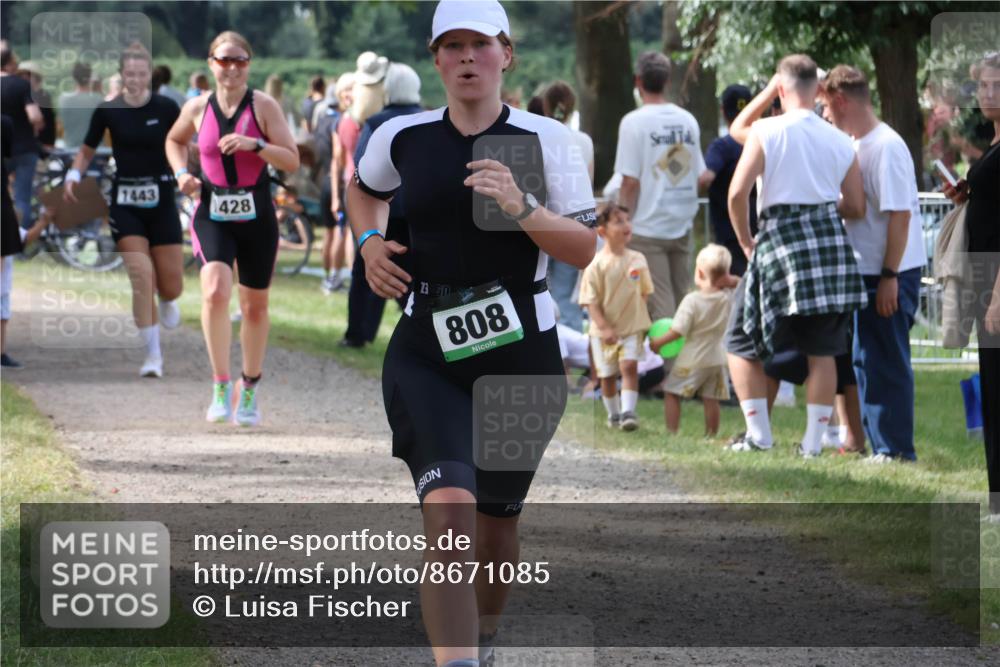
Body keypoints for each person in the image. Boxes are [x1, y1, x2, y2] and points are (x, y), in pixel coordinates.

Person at [348, 2, 596, 664]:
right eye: (451, 46)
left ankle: (482, 638)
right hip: (426, 351)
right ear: (434, 59)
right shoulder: (402, 136)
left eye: (479, 45)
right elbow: (362, 190)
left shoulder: (552, 142)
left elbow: (584, 248)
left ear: (505, 54)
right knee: (450, 516)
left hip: (522, 357)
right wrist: (370, 242)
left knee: (495, 523)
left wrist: (522, 207)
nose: (466, 57)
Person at [726, 54, 867, 457]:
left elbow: (737, 193)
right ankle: (811, 446)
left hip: (776, 242)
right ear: (818, 90)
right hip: (828, 244)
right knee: (824, 350)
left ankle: (759, 435)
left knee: (739, 340)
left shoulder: (766, 130)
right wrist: (818, 210)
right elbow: (856, 205)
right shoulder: (840, 140)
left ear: (781, 89)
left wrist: (746, 241)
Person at [166, 31, 299, 425]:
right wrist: (180, 174)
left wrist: (254, 145)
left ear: (249, 65)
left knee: (254, 307)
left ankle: (250, 386)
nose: (233, 67)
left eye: (240, 60)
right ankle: (221, 383)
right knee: (214, 289)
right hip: (212, 211)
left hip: (256, 214)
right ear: (211, 64)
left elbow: (291, 160)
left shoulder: (264, 106)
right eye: (224, 60)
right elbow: (174, 140)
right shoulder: (196, 107)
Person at [820, 65, 927, 462]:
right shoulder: (857, 144)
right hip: (868, 271)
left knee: (886, 361)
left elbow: (900, 215)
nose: (826, 115)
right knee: (866, 359)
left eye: (828, 106)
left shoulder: (886, 146)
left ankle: (896, 449)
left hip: (889, 273)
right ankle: (881, 444)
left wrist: (889, 276)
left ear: (842, 100)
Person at [63, 43, 183, 378]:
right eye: (129, 73)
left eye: (141, 74)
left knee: (171, 285)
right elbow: (86, 150)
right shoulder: (108, 109)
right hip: (125, 202)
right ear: (122, 74)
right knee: (142, 277)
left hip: (161, 199)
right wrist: (75, 173)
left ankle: (168, 299)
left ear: (150, 75)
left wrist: (190, 174)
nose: (135, 79)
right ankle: (153, 357)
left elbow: (184, 143)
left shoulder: (167, 106)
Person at [942, 52, 999, 516]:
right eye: (982, 86)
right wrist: (969, 191)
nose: (987, 94)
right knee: (992, 389)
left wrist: (999, 295)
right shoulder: (995, 144)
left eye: (996, 85)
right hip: (985, 281)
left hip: (998, 286)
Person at [614, 51, 706, 322]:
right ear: (667, 81)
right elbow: (701, 175)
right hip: (681, 223)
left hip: (646, 226)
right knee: (683, 301)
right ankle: (686, 363)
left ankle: (670, 366)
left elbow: (630, 181)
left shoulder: (633, 122)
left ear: (637, 81)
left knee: (661, 308)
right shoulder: (687, 120)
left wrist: (621, 220)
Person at [341, 63, 423, 348]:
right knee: (416, 273)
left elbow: (363, 171)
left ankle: (358, 333)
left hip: (382, 211)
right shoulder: (429, 121)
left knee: (367, 271)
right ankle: (424, 328)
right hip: (417, 211)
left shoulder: (377, 123)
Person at [579, 204, 653, 431]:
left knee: (629, 366)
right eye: (619, 221)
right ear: (601, 231)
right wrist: (605, 328)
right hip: (603, 333)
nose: (626, 225)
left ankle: (628, 412)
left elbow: (644, 292)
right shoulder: (596, 264)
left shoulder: (638, 259)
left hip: (631, 328)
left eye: (627, 220)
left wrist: (640, 319)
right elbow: (590, 301)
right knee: (607, 376)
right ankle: (613, 415)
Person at [651, 244, 733, 437]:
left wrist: (658, 343)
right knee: (711, 398)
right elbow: (740, 284)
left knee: (672, 393)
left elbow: (677, 331)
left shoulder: (692, 300)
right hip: (718, 358)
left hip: (693, 359)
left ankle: (672, 432)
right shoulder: (727, 298)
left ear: (699, 272)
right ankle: (711, 435)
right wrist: (729, 279)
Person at [541, 80, 593, 333]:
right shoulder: (583, 141)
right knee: (566, 292)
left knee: (542, 290)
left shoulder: (538, 135)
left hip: (540, 223)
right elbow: (588, 187)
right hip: (572, 225)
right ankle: (574, 352)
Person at [698, 84, 758, 276]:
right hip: (761, 229)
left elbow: (707, 177)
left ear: (723, 110)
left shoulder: (722, 146)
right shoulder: (764, 140)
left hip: (730, 233)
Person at [0, 44, 43, 231]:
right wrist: (36, 128)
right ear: (10, 63)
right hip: (24, 148)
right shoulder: (22, 85)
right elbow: (34, 116)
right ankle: (20, 240)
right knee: (22, 197)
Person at [59, 61, 105, 149]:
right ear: (90, 77)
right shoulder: (99, 99)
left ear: (73, 77)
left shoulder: (64, 99)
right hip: (97, 151)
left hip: (71, 150)